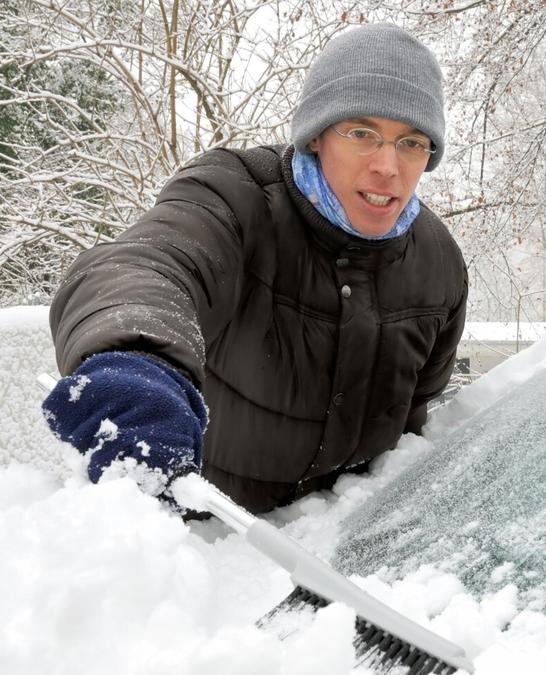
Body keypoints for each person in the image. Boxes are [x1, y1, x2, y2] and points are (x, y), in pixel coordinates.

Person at [40, 23, 468, 514]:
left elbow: (419, 419)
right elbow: (150, 263)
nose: (389, 167)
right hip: (210, 544)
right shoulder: (236, 198)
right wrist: (137, 362)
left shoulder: (439, 264)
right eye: (362, 133)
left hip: (346, 554)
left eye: (412, 142)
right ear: (315, 137)